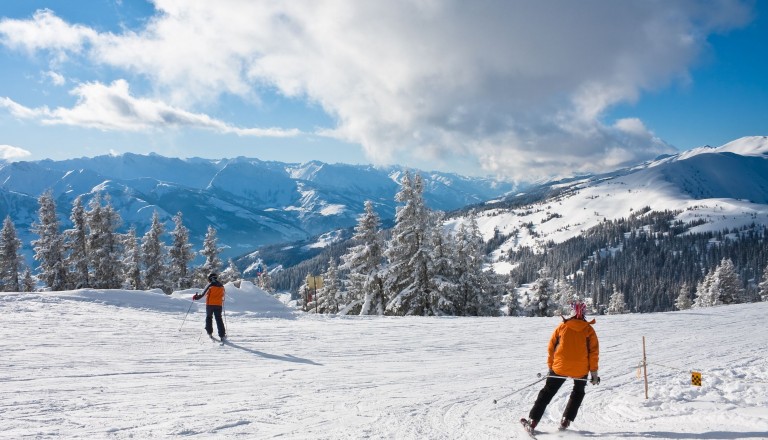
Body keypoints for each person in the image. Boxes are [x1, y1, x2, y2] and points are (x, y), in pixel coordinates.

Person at [522, 301, 600, 431]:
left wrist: (550, 367)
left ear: (572, 312)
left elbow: (551, 347)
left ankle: (533, 421)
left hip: (559, 367)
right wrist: (594, 374)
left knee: (547, 392)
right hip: (580, 369)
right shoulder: (589, 330)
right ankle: (566, 420)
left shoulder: (562, 327)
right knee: (578, 392)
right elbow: (594, 353)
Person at [192, 273, 227, 340]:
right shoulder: (221, 286)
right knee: (219, 318)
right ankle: (222, 335)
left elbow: (202, 294)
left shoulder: (210, 285)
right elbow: (223, 296)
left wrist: (196, 297)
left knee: (209, 317)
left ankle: (209, 332)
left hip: (209, 305)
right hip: (218, 305)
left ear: (210, 278)